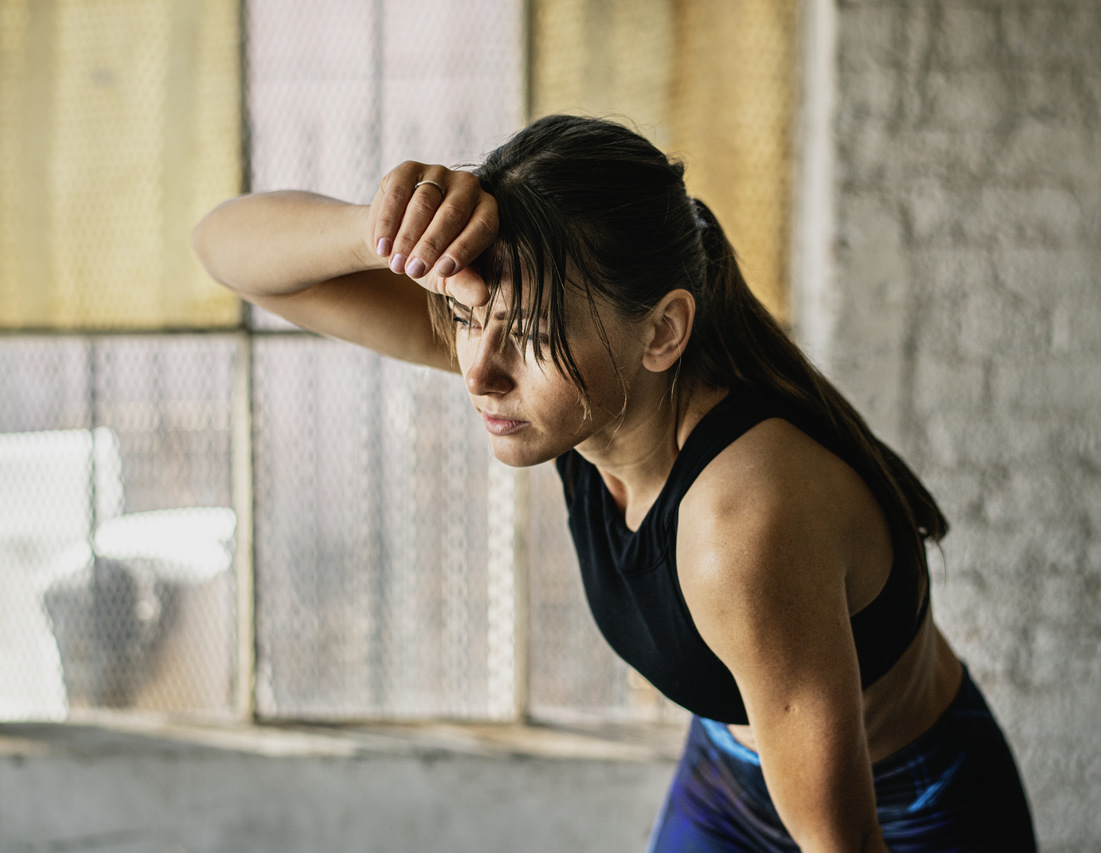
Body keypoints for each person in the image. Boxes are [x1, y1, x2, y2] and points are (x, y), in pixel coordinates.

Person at [192, 114, 1037, 852]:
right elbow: (225, 249)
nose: (478, 372)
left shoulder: (739, 521)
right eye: (468, 318)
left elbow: (841, 842)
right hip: (729, 766)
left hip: (911, 804)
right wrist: (381, 231)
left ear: (663, 331)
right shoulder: (567, 386)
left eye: (527, 334)